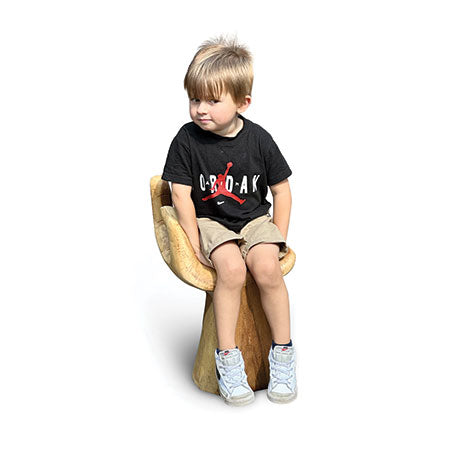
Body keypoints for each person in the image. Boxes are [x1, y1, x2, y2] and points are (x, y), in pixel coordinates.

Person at [162, 36, 297, 406]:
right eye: (194, 99)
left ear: (242, 102)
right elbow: (180, 196)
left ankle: (283, 353)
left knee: (267, 268)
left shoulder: (259, 140)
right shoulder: (186, 140)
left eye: (212, 100)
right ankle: (228, 358)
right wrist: (194, 244)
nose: (200, 109)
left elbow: (282, 191)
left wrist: (277, 237)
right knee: (232, 270)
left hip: (253, 221)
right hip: (211, 222)